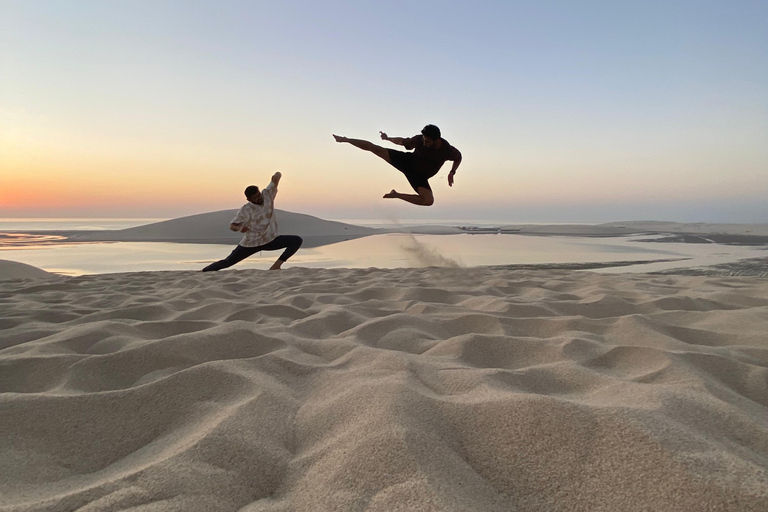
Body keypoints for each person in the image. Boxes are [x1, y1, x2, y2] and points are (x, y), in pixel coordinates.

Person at [333, 124, 462, 206]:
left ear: (436, 140)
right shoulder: (419, 140)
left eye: (427, 141)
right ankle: (345, 139)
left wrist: (452, 172)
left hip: (419, 177)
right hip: (408, 161)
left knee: (428, 201)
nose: (424, 142)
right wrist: (388, 138)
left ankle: (396, 194)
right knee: (376, 149)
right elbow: (401, 141)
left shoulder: (447, 150)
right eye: (423, 139)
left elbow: (458, 158)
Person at [202, 172, 303, 271]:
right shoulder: (246, 210)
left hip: (271, 239)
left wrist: (278, 175)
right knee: (228, 262)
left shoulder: (267, 195)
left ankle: (276, 266)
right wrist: (240, 228)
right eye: (255, 197)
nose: (259, 198)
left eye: (258, 195)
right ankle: (204, 271)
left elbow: (274, 180)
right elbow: (232, 226)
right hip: (252, 243)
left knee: (296, 240)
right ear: (249, 199)